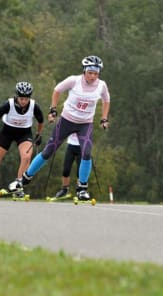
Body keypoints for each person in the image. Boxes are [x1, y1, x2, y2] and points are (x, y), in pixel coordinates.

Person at [8, 55, 110, 200]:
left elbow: (106, 100)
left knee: (86, 153)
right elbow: (57, 90)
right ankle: (22, 180)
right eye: (90, 72)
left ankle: (82, 189)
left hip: (85, 124)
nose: (93, 76)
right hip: (66, 121)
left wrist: (104, 118)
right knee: (48, 151)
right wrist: (53, 109)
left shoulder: (101, 85)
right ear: (84, 71)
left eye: (96, 73)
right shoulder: (74, 81)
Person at [53, 133, 81, 199]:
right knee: (66, 169)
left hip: (82, 146)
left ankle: (80, 191)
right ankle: (64, 190)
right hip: (71, 146)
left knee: (80, 171)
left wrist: (104, 123)